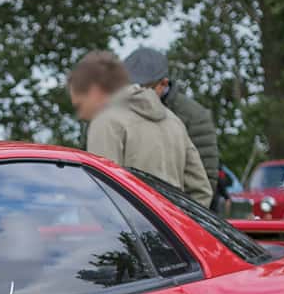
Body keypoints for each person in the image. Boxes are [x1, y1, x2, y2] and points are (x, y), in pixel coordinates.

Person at [69, 50, 211, 201]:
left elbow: (101, 190)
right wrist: (181, 223)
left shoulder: (105, 119)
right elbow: (201, 188)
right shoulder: (174, 120)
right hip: (170, 222)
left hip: (126, 223)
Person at [122, 47, 219, 184]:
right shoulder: (113, 111)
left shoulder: (194, 117)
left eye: (144, 88)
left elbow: (204, 178)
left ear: (163, 84)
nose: (136, 93)